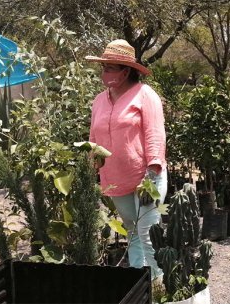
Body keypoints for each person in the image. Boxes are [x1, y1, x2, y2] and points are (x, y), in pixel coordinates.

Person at [86, 39, 167, 279]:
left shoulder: (145, 95)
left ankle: (159, 284)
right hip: (116, 178)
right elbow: (93, 138)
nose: (105, 73)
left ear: (125, 71)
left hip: (146, 178)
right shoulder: (99, 100)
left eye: (110, 67)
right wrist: (92, 168)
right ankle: (138, 282)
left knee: (147, 233)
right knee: (131, 231)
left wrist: (151, 175)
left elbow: (155, 134)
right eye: (103, 67)